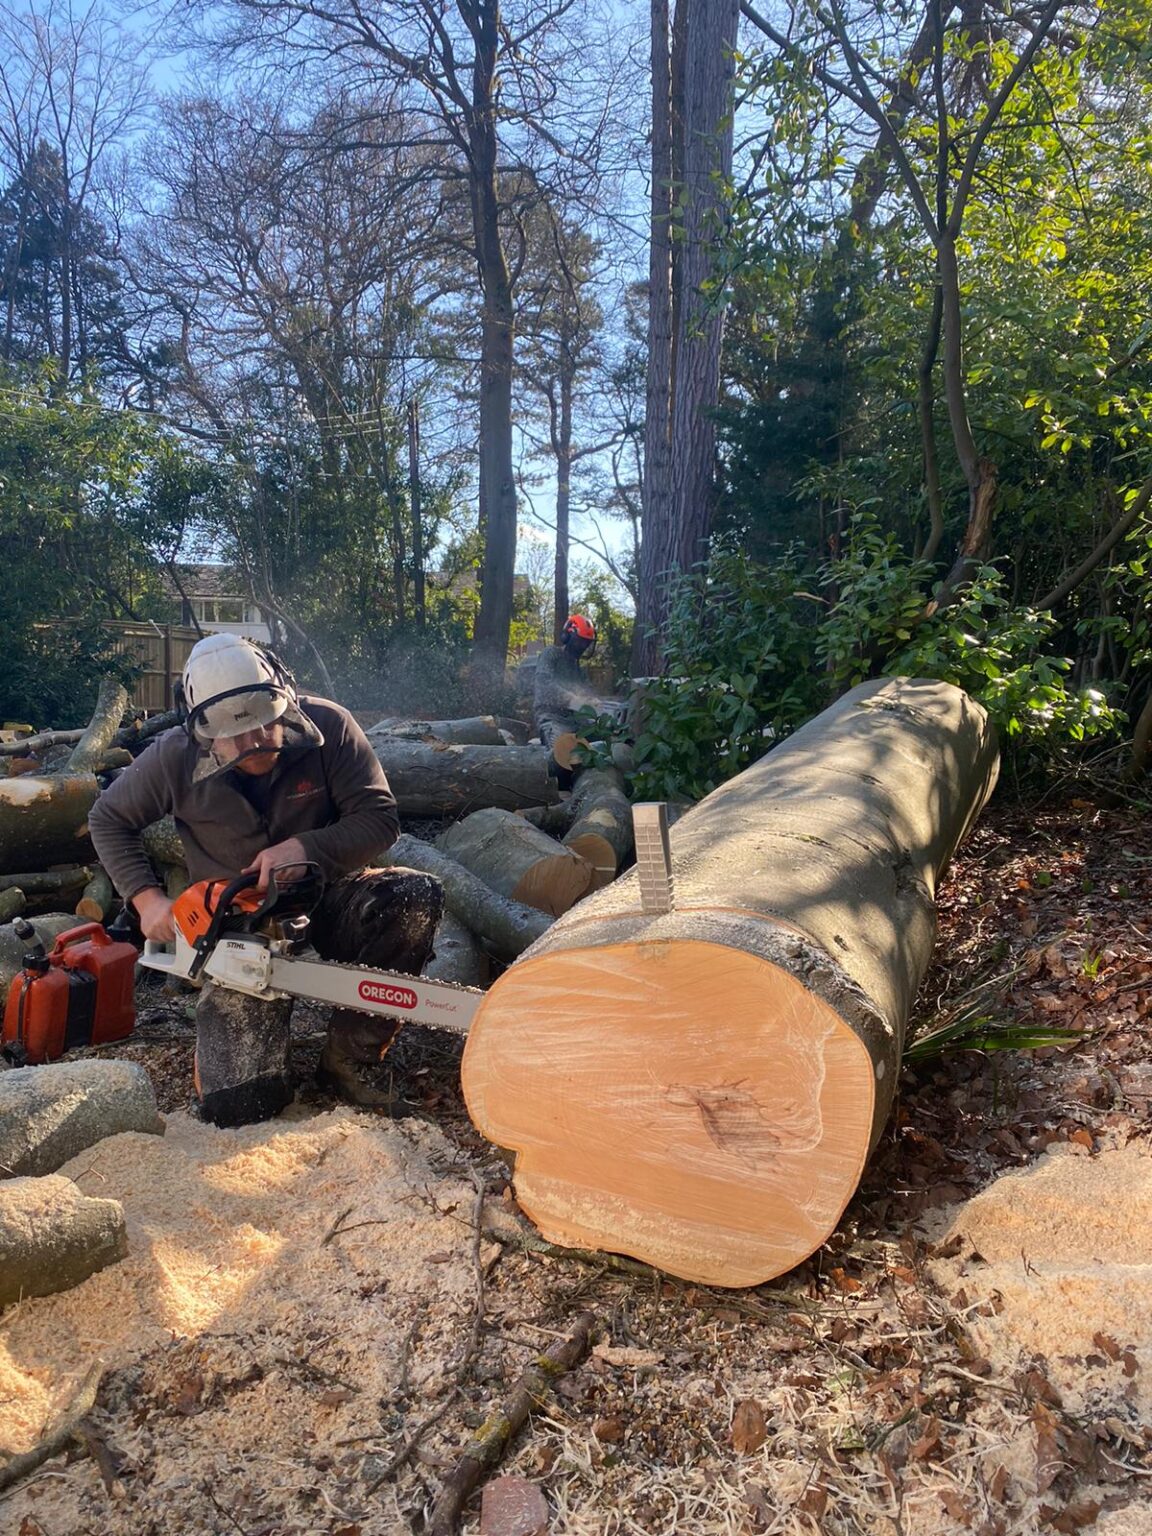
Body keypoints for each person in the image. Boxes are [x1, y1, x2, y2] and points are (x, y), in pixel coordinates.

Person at [89, 633, 443, 1127]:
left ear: (283, 697)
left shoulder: (329, 728)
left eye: (263, 722)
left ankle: (351, 1057)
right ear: (204, 731)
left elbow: (380, 819)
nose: (253, 741)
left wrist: (306, 849)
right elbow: (108, 818)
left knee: (410, 896)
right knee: (239, 1105)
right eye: (234, 734)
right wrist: (146, 899)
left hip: (329, 895)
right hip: (239, 927)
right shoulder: (173, 757)